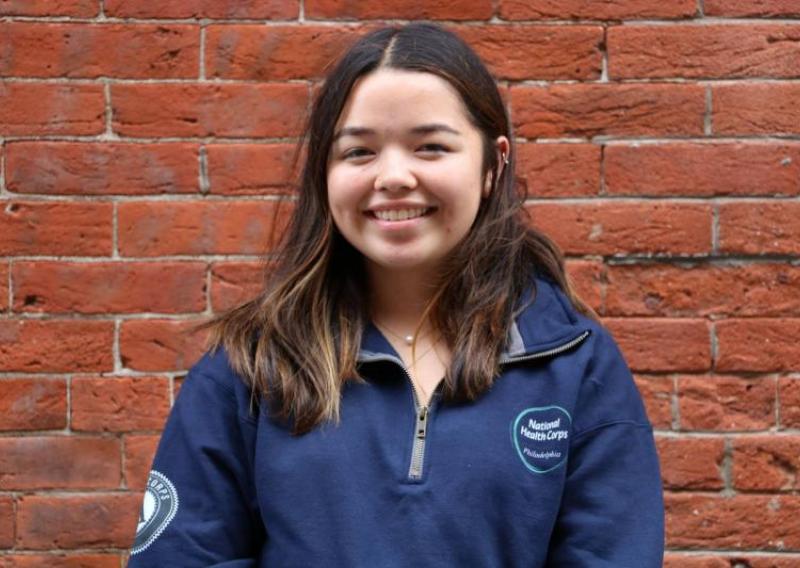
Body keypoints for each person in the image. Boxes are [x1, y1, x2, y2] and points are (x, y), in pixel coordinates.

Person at [127, 23, 664, 567]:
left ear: (492, 165)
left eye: (430, 147)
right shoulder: (248, 367)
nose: (393, 177)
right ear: (325, 171)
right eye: (359, 151)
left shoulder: (575, 365)